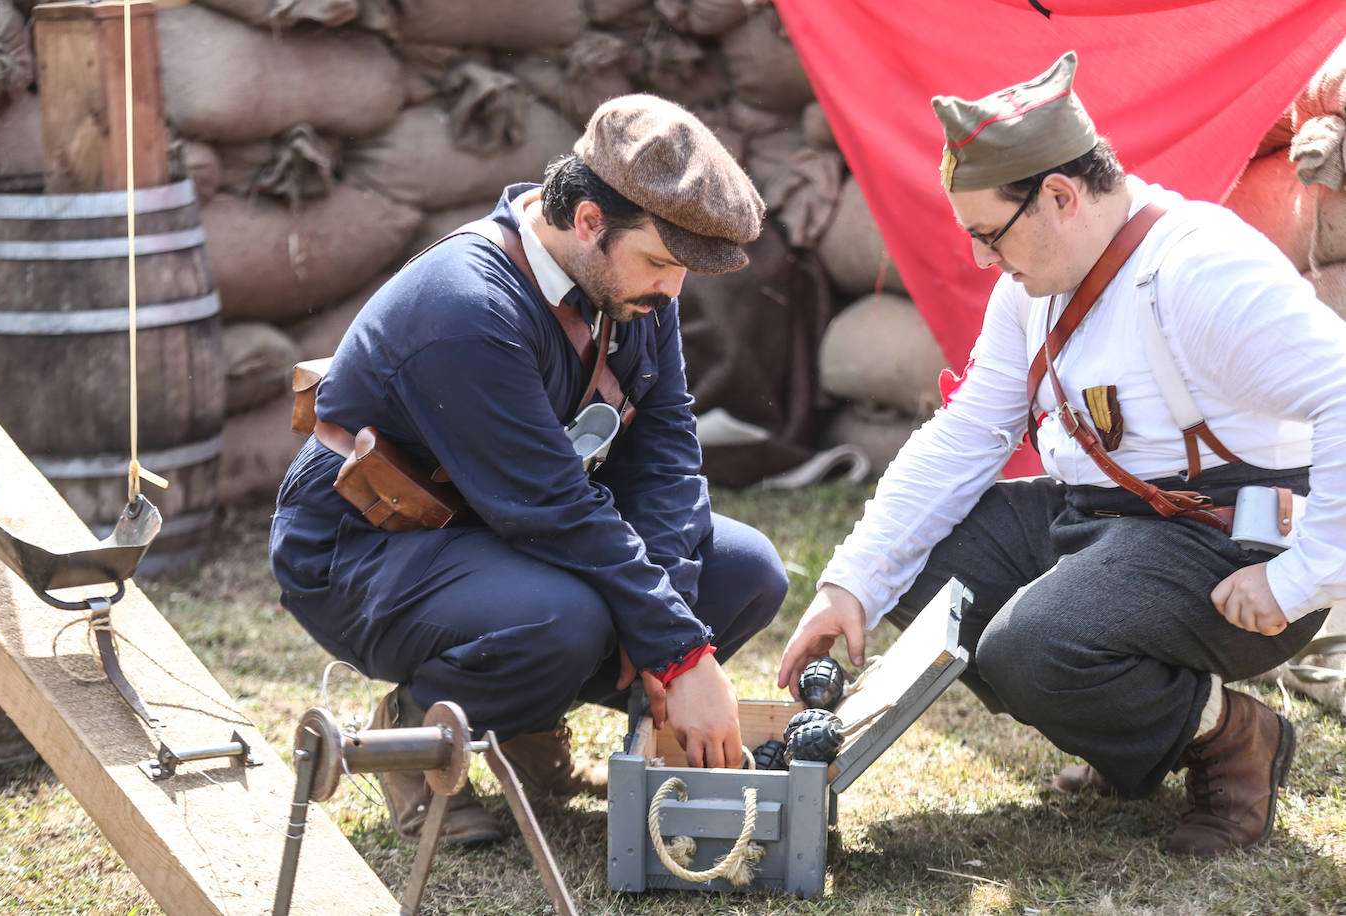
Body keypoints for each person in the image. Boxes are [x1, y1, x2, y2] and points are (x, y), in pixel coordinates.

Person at [778, 52, 1344, 857]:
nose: (981, 260)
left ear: (1059, 196)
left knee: (1030, 647)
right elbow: (968, 433)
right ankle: (1134, 728)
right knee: (920, 571)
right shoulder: (1030, 289)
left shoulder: (1200, 270)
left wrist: (1299, 577)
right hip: (1103, 524)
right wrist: (852, 583)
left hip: (1225, 542)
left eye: (989, 235)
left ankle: (1232, 737)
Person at [271, 94, 787, 846]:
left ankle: (522, 720)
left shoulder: (632, 286)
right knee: (562, 620)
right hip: (362, 545)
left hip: (504, 532)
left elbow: (669, 449)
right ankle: (410, 734)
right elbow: (552, 508)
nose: (674, 290)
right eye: (662, 263)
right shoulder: (467, 304)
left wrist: (676, 625)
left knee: (744, 573)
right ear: (588, 223)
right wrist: (679, 651)